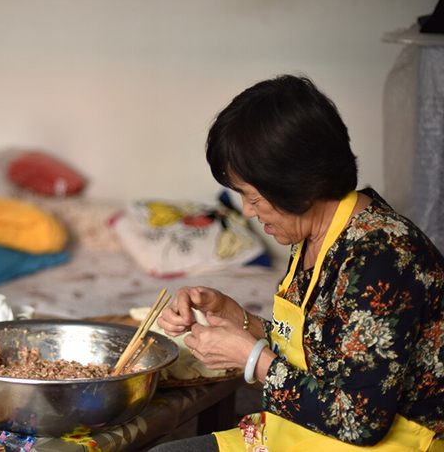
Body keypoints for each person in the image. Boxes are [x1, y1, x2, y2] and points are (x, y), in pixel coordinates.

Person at [152, 75, 444, 452]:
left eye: (253, 197)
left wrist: (253, 358)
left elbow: (360, 421)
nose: (248, 211)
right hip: (300, 437)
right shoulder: (315, 233)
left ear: (298, 186)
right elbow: (322, 348)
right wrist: (237, 319)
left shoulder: (384, 256)